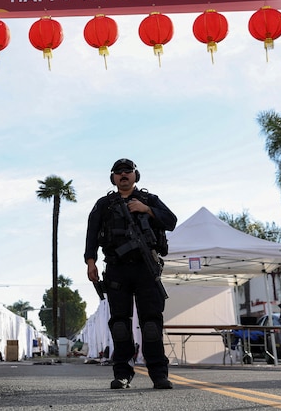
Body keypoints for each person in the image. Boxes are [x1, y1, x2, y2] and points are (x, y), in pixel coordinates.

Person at [84, 158, 177, 390]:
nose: (123, 175)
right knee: (120, 325)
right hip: (117, 269)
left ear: (136, 175)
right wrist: (90, 261)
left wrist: (147, 210)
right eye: (118, 172)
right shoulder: (104, 205)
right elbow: (92, 233)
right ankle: (123, 374)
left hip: (146, 268)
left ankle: (158, 374)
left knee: (151, 325)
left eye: (128, 171)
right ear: (113, 178)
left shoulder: (149, 200)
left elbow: (172, 221)